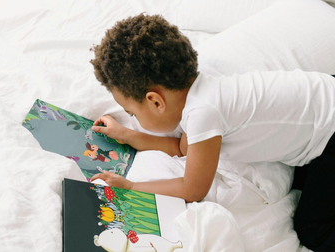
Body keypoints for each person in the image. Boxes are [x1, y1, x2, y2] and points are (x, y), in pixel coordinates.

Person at [89, 13, 335, 251]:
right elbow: (183, 149)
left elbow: (193, 188)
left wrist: (131, 187)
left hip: (331, 134)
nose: (134, 119)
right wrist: (129, 136)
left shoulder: (203, 113)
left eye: (133, 113)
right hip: (326, 103)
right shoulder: (201, 89)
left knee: (314, 231)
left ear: (156, 102)